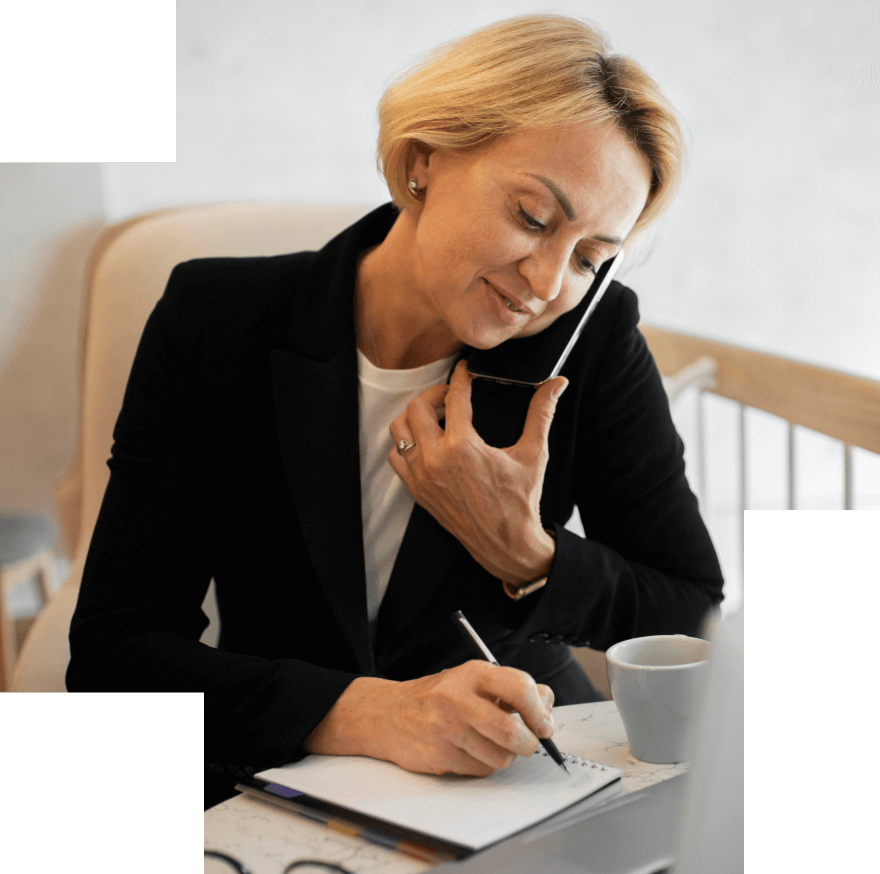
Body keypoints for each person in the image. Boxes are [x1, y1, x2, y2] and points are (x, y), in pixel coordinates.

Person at [64, 14, 724, 811]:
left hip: (521, 771)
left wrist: (526, 553)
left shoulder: (593, 339)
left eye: (589, 257)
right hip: (274, 767)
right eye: (532, 217)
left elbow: (690, 608)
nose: (550, 283)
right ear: (420, 163)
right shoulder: (215, 321)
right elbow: (114, 654)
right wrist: (376, 713)